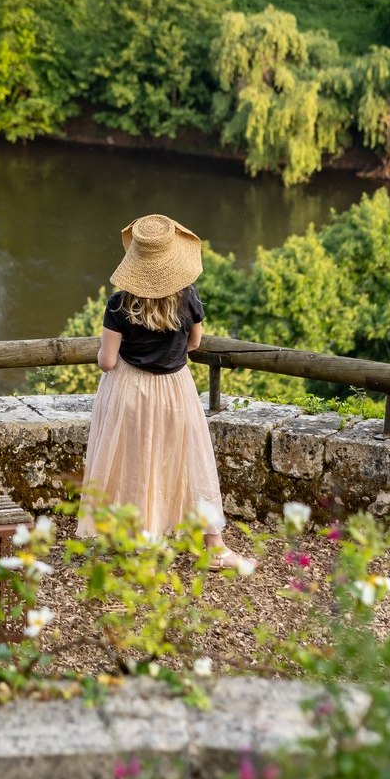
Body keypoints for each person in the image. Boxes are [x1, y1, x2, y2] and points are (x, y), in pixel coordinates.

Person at [80, 213, 241, 566]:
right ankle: (215, 546)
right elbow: (194, 343)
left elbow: (107, 361)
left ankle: (138, 539)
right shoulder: (189, 297)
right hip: (175, 389)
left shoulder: (119, 304)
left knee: (133, 462)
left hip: (129, 390)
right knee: (191, 460)